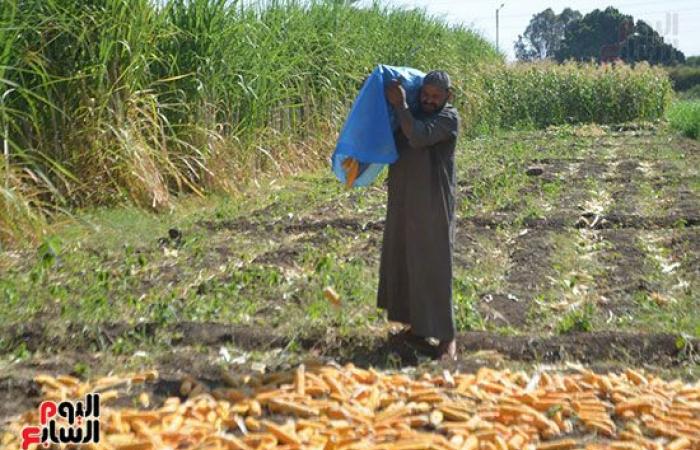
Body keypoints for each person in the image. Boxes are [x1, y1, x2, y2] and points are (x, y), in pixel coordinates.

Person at [377, 70, 460, 361]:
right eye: (425, 94)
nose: (429, 100)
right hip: (404, 201)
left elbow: (418, 137)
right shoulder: (411, 113)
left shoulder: (448, 119)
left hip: (432, 203)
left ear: (447, 97)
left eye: (436, 97)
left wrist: (401, 105)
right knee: (405, 260)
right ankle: (416, 329)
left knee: (434, 266)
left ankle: (447, 338)